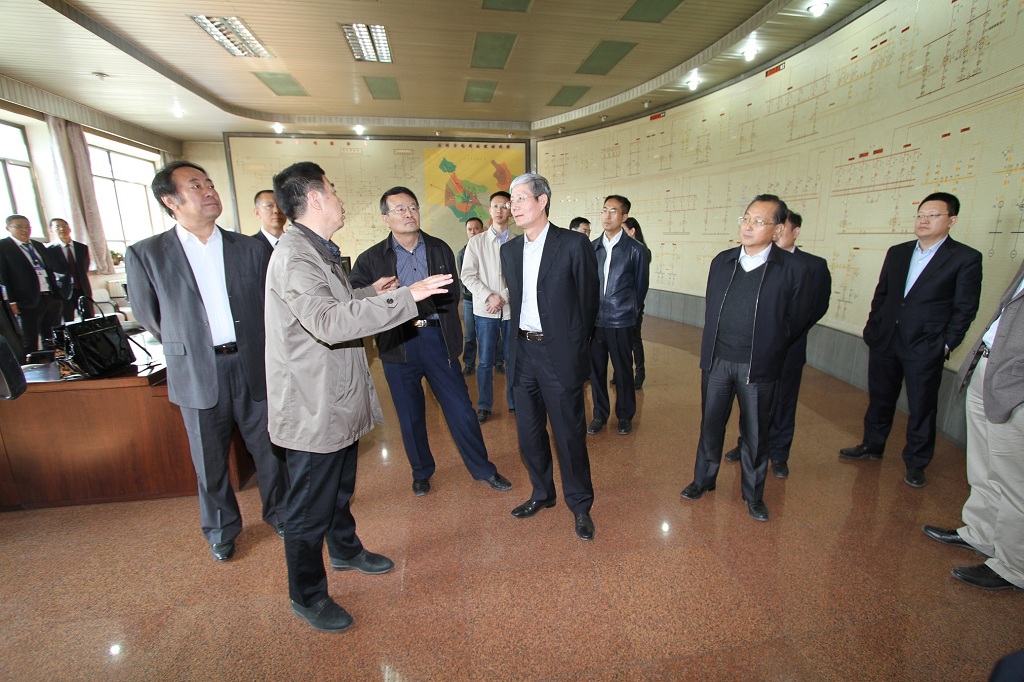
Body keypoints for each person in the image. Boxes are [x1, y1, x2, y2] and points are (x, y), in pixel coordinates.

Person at [266, 161, 454, 632]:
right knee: (308, 509)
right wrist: (408, 296)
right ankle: (307, 596)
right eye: (332, 190)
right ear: (314, 198)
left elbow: (334, 303)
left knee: (338, 489)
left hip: (335, 395)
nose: (340, 198)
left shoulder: (318, 249)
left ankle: (345, 550)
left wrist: (371, 291)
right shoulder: (296, 256)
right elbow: (329, 322)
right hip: (313, 404)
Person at [124, 161, 287, 562]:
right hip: (197, 369)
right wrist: (194, 343)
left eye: (209, 183)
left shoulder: (249, 248)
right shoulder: (147, 254)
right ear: (171, 200)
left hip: (251, 364)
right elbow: (148, 314)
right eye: (196, 186)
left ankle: (281, 513)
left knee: (269, 449)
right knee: (208, 458)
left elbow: (269, 306)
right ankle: (221, 528)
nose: (209, 190)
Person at [349, 186, 512, 497]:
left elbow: (452, 295)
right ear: (385, 218)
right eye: (400, 209)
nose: (409, 213)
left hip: (437, 338)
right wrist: (380, 294)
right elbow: (355, 298)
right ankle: (421, 472)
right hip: (398, 341)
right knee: (410, 415)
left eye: (413, 207)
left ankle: (483, 468)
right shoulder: (371, 258)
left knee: (461, 409)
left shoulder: (439, 249)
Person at [680, 194, 810, 522]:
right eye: (746, 218)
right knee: (710, 425)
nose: (748, 226)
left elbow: (796, 319)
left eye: (759, 221)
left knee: (755, 433)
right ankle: (703, 480)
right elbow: (712, 306)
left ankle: (753, 495)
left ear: (778, 229)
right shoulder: (722, 261)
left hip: (758, 366)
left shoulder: (792, 269)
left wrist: (771, 346)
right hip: (718, 360)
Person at [840, 192, 982, 488]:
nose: (924, 220)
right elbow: (882, 293)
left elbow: (965, 307)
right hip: (886, 339)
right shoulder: (898, 252)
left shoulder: (965, 258)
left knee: (922, 405)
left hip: (926, 344)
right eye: (920, 215)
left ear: (952, 220)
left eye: (933, 215)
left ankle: (917, 462)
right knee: (880, 398)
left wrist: (946, 344)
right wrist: (873, 326)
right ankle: (872, 445)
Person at [500, 173, 599, 540]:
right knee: (528, 434)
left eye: (521, 198)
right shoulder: (510, 250)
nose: (514, 206)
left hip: (559, 353)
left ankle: (580, 504)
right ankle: (542, 493)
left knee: (568, 435)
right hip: (523, 352)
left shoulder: (573, 244)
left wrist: (573, 346)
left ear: (542, 201)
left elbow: (588, 303)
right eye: (511, 200)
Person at [921, 259, 1024, 592]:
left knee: (1015, 480)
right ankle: (980, 533)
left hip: (1015, 383)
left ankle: (1014, 565)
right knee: (984, 465)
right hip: (990, 367)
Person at [723, 210, 831, 478]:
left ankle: (779, 454)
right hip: (754, 351)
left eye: (782, 229)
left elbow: (814, 308)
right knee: (750, 400)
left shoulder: (812, 266)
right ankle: (745, 444)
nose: (777, 234)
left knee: (784, 401)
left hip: (789, 349)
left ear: (794, 232)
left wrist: (781, 335)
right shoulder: (757, 261)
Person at [587, 195, 649, 436]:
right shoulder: (592, 247)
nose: (607, 215)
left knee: (623, 370)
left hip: (621, 320)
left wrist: (630, 312)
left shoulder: (636, 250)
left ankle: (624, 416)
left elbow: (640, 288)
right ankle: (599, 415)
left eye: (613, 211)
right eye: (604, 210)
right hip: (595, 321)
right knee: (596, 371)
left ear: (624, 217)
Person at [462, 191, 516, 423]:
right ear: (490, 210)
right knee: (484, 361)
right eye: (495, 205)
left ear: (511, 210)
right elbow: (467, 275)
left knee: (512, 359)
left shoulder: (519, 241)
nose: (500, 210)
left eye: (505, 205)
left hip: (511, 310)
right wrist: (489, 297)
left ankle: (514, 402)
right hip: (485, 310)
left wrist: (503, 297)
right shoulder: (476, 242)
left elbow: (523, 277)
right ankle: (484, 405)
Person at [0, 214, 62, 355]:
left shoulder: (38, 245)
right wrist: (11, 301)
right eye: (19, 227)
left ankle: (55, 363)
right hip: (26, 301)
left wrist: (57, 294)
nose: (25, 230)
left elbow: (49, 270)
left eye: (28, 227)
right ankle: (32, 366)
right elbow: (3, 277)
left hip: (50, 296)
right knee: (29, 340)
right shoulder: (3, 247)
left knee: (53, 338)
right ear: (8, 228)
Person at [47, 218, 94, 320]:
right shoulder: (48, 250)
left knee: (89, 318)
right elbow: (50, 272)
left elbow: (85, 268)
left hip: (83, 289)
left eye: (64, 226)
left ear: (70, 228)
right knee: (67, 321)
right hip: (63, 291)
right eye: (57, 227)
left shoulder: (82, 248)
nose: (62, 229)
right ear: (51, 231)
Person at [623, 217, 649, 388]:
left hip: (633, 305)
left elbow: (641, 283)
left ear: (632, 231)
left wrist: (635, 306)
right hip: (620, 306)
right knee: (622, 342)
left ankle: (640, 374)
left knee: (634, 341)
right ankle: (619, 373)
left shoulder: (642, 251)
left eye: (623, 230)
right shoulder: (622, 249)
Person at [456, 216, 485, 376]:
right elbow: (466, 280)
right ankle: (469, 363)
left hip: (488, 300)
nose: (473, 232)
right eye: (469, 229)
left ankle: (498, 361)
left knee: (492, 333)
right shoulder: (462, 254)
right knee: (470, 335)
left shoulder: (489, 251)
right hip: (470, 301)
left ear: (482, 230)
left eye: (476, 228)